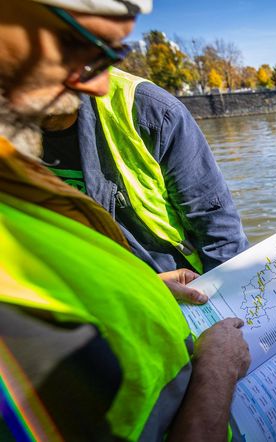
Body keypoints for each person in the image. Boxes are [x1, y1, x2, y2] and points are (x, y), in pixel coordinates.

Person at [0, 0, 249, 439]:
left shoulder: (150, 109)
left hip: (185, 302)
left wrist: (228, 310)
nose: (99, 84)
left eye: (112, 54)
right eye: (83, 48)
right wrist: (217, 370)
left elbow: (218, 228)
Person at [41, 67, 248, 274]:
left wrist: (226, 291)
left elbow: (216, 225)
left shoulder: (151, 109)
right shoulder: (10, 140)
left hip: (182, 284)